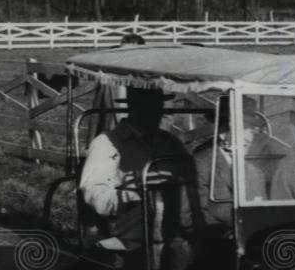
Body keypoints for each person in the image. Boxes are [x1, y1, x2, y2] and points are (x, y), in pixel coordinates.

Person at [79, 86, 193, 253]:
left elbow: (190, 180)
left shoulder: (170, 142)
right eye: (147, 105)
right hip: (129, 228)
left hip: (176, 223)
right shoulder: (107, 143)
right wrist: (133, 197)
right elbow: (93, 193)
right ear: (132, 107)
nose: (156, 112)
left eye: (157, 106)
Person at [193, 96, 269, 226]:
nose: (249, 137)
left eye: (251, 129)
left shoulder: (255, 171)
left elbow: (265, 212)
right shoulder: (202, 162)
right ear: (223, 133)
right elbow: (196, 214)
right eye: (242, 128)